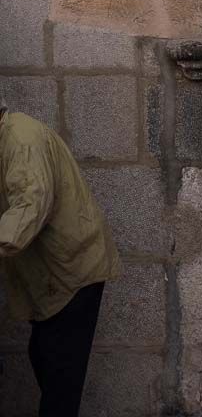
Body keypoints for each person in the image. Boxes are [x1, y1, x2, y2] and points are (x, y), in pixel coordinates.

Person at [0, 102, 121, 417]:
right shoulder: (8, 136)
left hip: (71, 271)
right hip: (53, 276)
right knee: (44, 357)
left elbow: (30, 203)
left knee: (59, 376)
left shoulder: (21, 138)